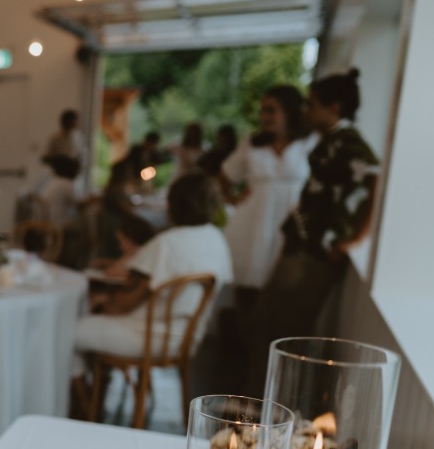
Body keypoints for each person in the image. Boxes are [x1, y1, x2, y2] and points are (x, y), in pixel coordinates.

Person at [245, 70, 380, 395]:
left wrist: (356, 238)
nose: (306, 111)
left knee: (287, 333)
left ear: (334, 107)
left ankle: (276, 406)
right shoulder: (331, 140)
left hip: (315, 252)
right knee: (268, 323)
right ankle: (260, 401)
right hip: (302, 243)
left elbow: (376, 182)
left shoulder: (350, 143)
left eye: (312, 104)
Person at [76, 173, 232, 360]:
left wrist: (103, 301)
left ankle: (74, 388)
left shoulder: (166, 243)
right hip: (188, 340)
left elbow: (123, 305)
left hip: (147, 337)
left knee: (63, 332)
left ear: (173, 204)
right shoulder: (216, 238)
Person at [220, 86, 316, 293]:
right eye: (262, 110)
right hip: (253, 224)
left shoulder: (310, 142)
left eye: (271, 110)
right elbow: (225, 176)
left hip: (291, 222)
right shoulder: (252, 143)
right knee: (247, 290)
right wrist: (233, 198)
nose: (264, 116)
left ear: (290, 111)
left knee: (286, 289)